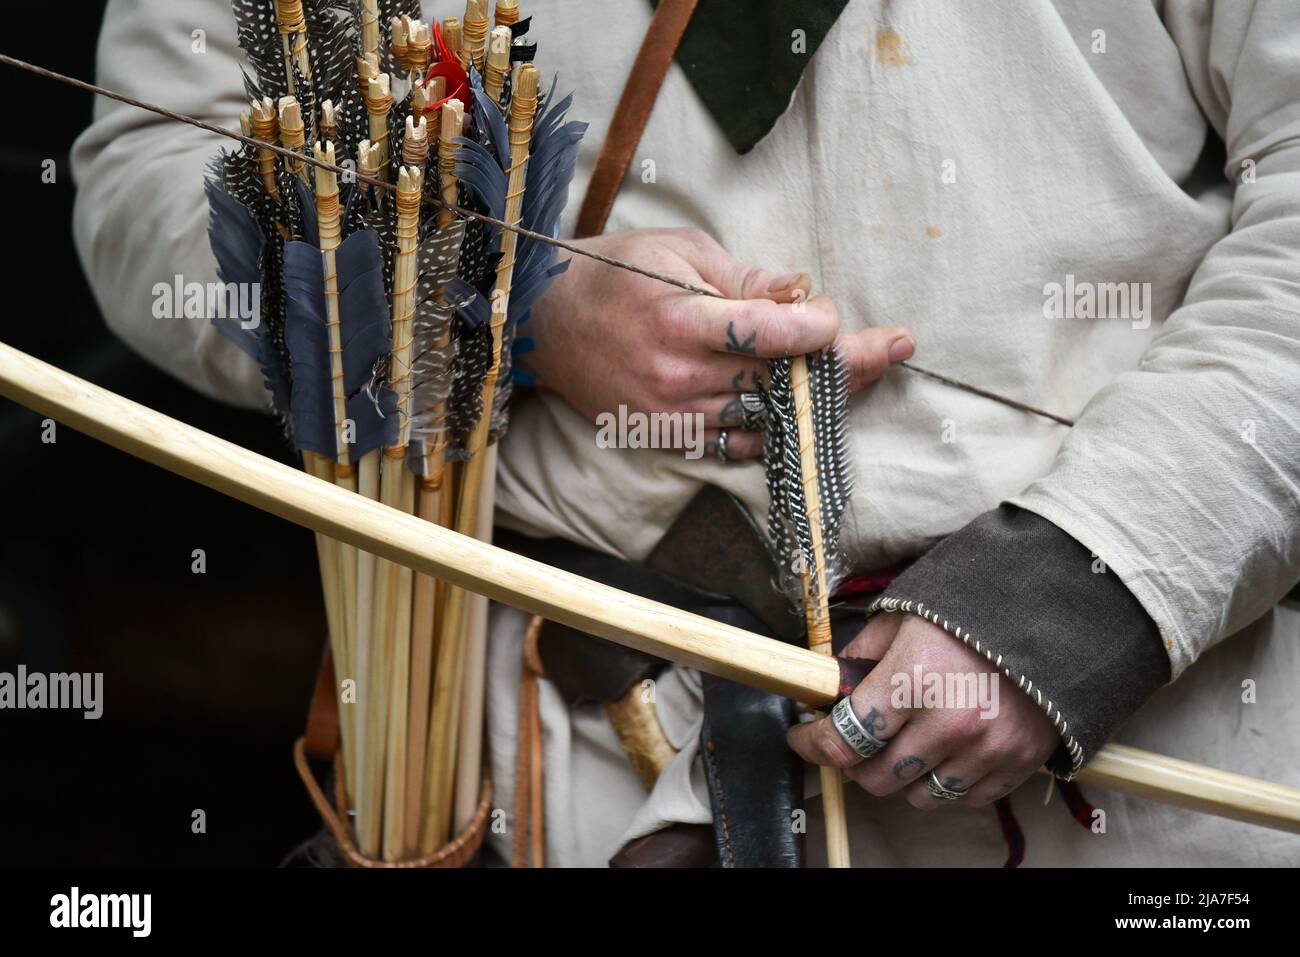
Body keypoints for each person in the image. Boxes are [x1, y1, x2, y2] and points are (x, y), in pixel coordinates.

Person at [72, 0, 1300, 866]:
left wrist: (1076, 583)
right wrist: (515, 306)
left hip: (1116, 753)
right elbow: (155, 163)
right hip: (556, 750)